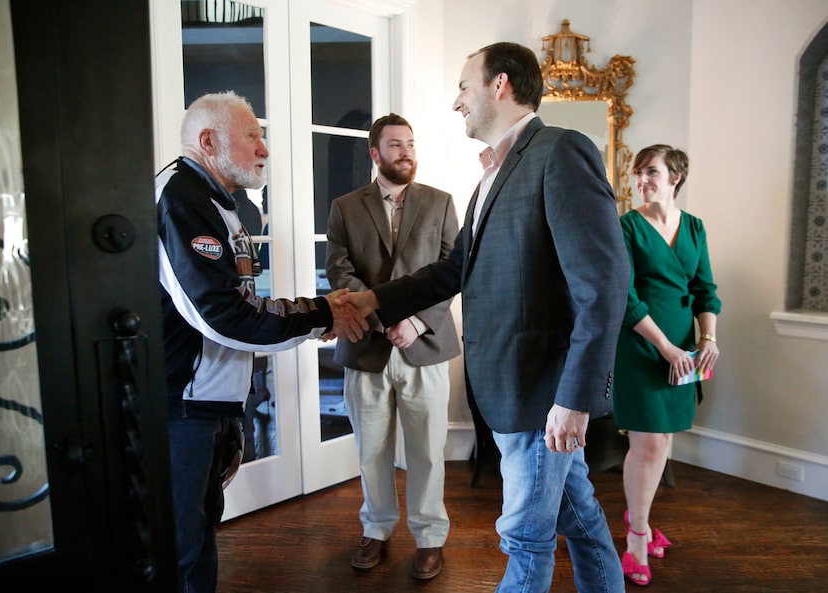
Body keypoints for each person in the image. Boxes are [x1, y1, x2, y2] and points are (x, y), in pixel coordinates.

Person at [339, 42, 629, 593]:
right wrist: (374, 301)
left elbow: (605, 286)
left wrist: (574, 399)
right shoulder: (490, 177)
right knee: (581, 518)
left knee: (523, 537)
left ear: (500, 85)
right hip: (509, 390)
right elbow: (452, 271)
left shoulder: (561, 151)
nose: (456, 102)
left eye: (463, 87)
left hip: (543, 395)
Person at [155, 90, 367, 593]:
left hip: (211, 401)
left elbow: (239, 298)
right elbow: (225, 314)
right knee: (182, 548)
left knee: (202, 531)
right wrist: (322, 312)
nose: (264, 149)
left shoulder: (215, 201)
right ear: (208, 141)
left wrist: (317, 310)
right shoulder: (183, 201)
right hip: (181, 407)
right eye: (252, 135)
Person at [325, 113, 461, 580]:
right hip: (367, 345)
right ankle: (377, 528)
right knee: (371, 449)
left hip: (425, 346)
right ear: (375, 153)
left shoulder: (442, 204)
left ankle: (428, 537)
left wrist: (418, 321)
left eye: (411, 144)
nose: (406, 152)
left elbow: (453, 271)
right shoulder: (344, 207)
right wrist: (385, 318)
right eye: (395, 145)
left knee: (426, 450)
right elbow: (340, 273)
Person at [612, 144, 721, 587]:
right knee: (650, 445)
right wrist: (665, 348)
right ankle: (637, 536)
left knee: (665, 442)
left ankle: (643, 517)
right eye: (638, 174)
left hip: (684, 350)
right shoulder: (626, 227)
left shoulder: (694, 228)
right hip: (642, 347)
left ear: (675, 177)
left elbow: (705, 290)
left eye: (651, 172)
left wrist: (707, 337)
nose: (642, 181)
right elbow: (625, 296)